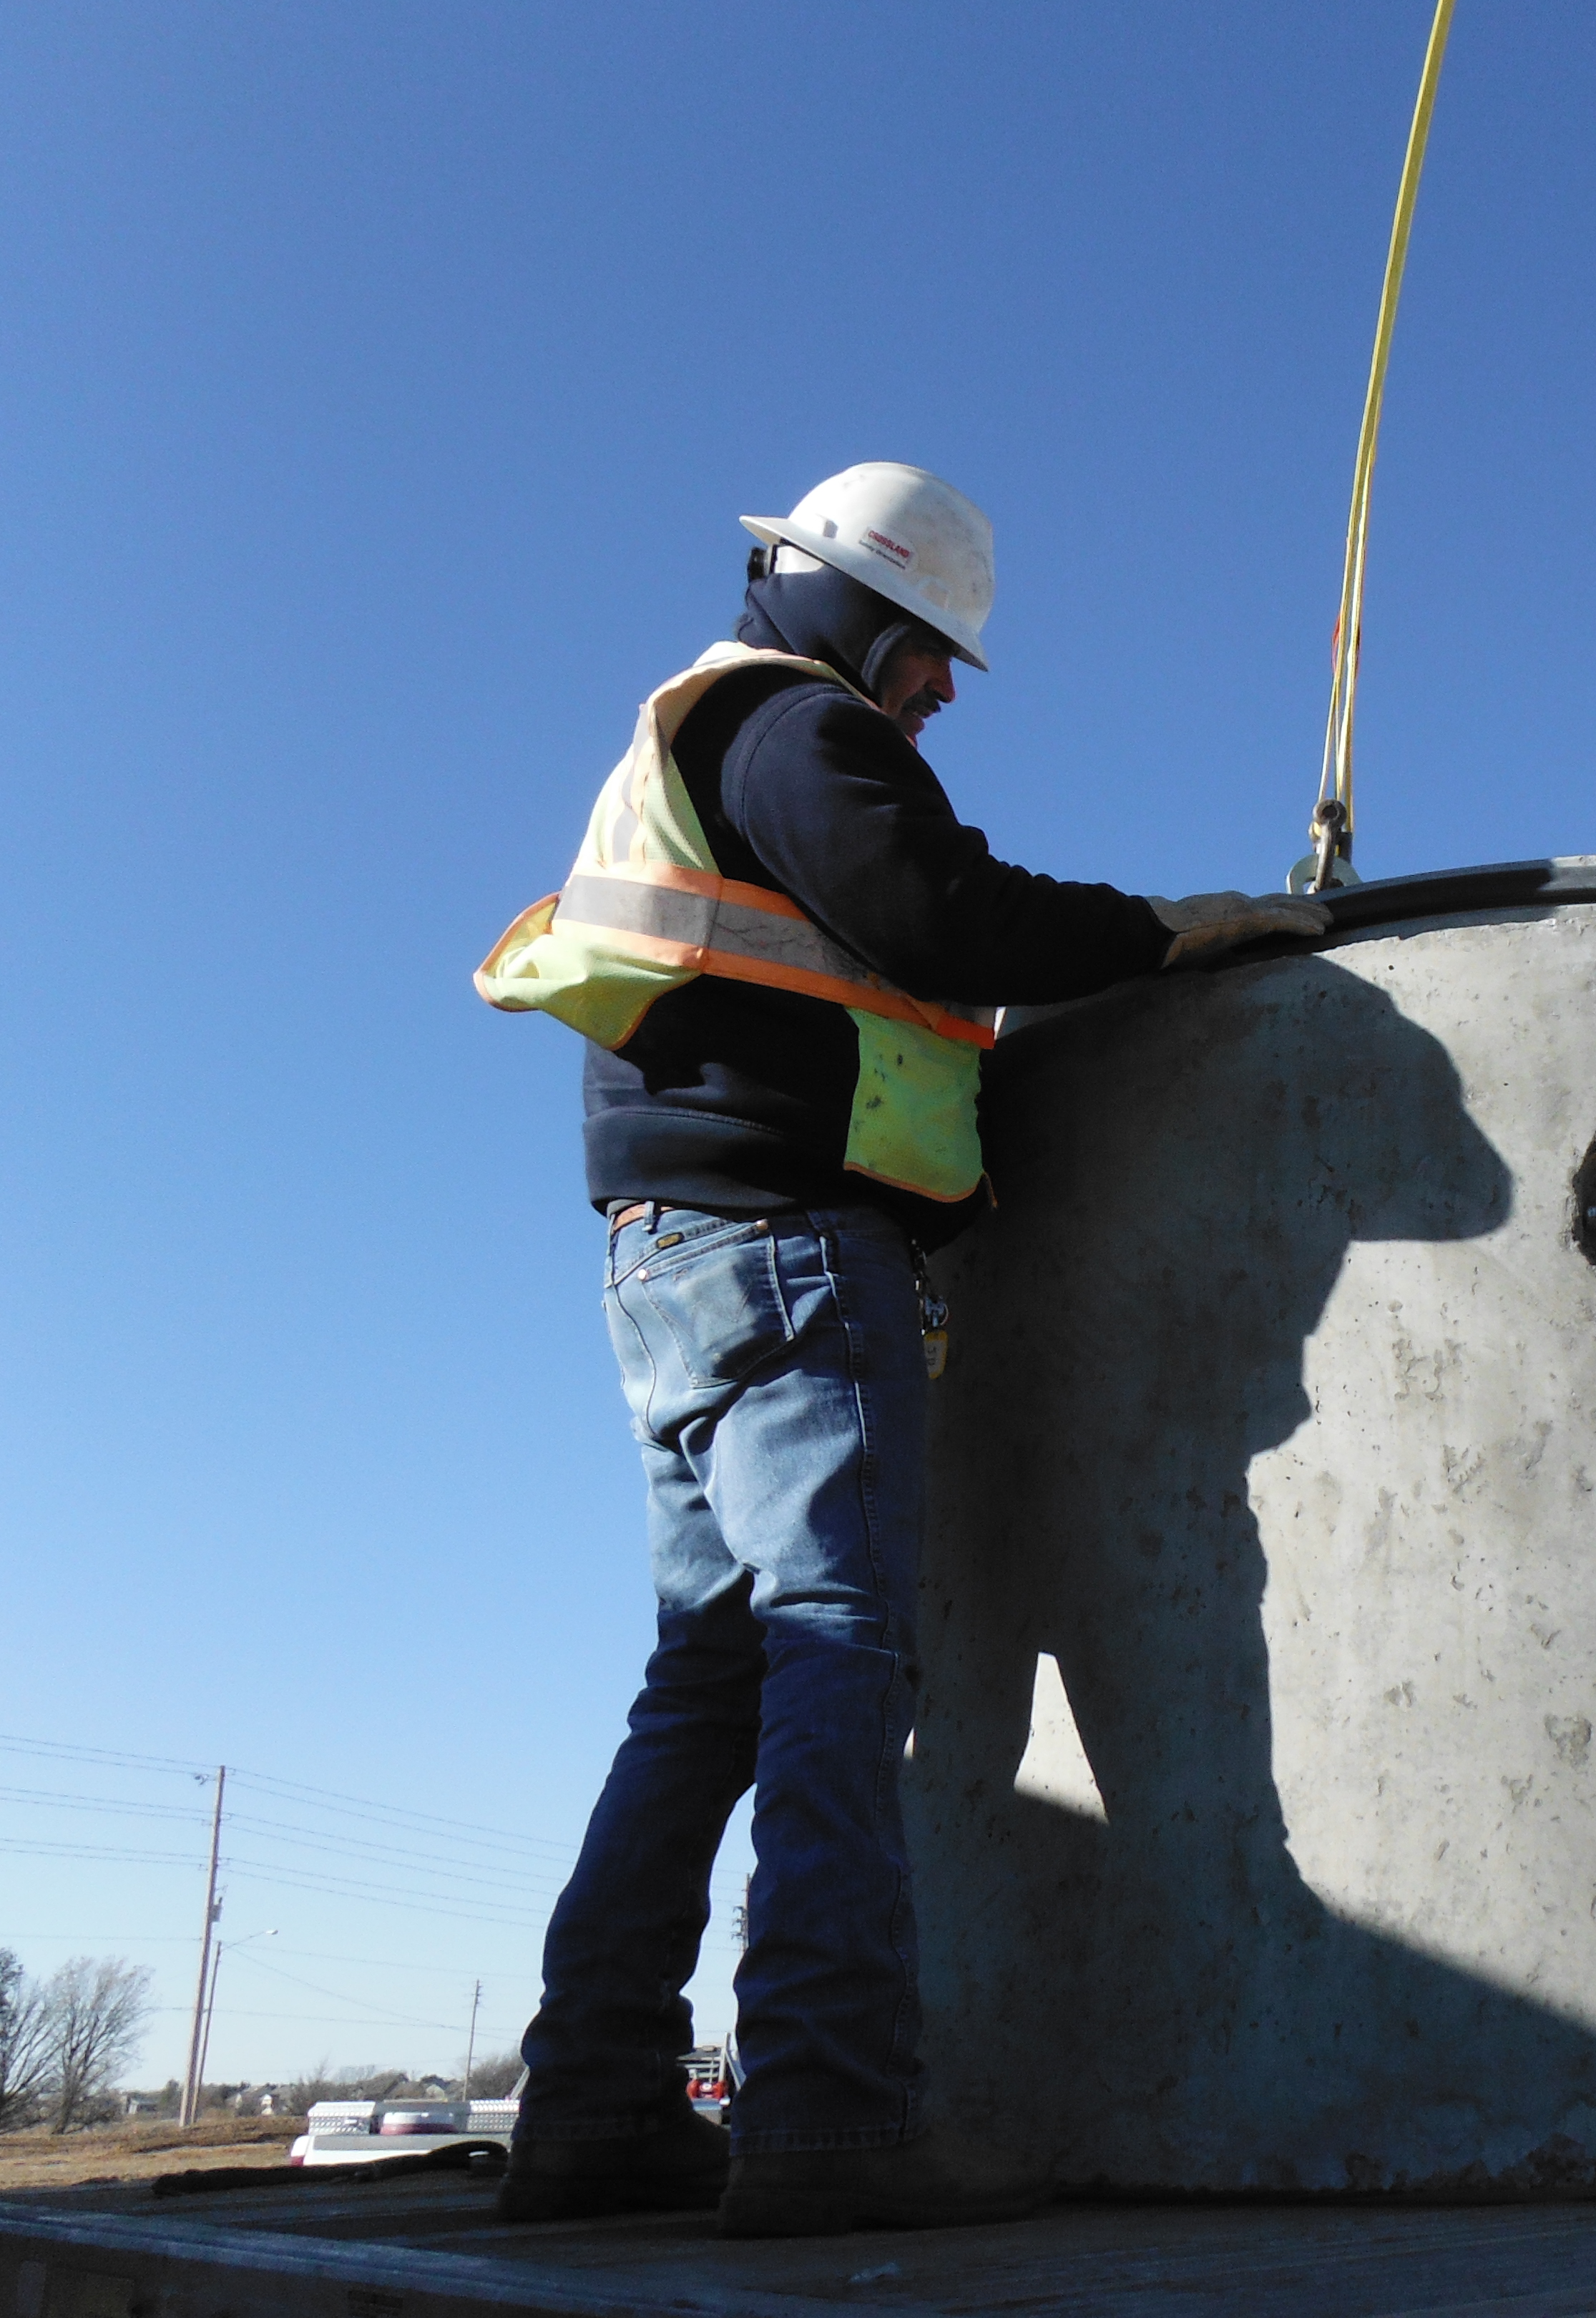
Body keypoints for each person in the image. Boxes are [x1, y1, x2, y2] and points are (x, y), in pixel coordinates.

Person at [473, 463, 1327, 2236]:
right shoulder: (799, 730)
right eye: (934, 656)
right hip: (792, 1248)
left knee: (708, 1681)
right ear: (867, 614)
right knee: (839, 1659)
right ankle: (830, 2117)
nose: (940, 694)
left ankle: (596, 2107)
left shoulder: (692, 744)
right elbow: (941, 912)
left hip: (679, 1256)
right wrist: (1164, 931)